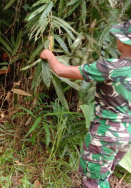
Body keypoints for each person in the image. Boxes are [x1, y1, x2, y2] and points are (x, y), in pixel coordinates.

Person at [40, 20, 131, 188]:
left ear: (124, 41)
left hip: (105, 133)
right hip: (126, 134)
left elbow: (61, 71)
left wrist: (49, 55)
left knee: (93, 182)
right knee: (102, 178)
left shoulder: (110, 67)